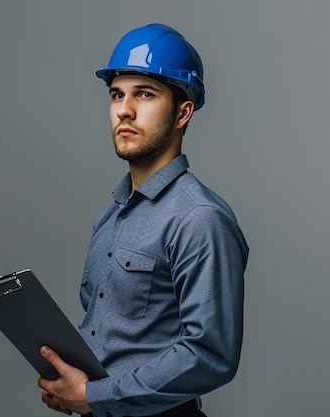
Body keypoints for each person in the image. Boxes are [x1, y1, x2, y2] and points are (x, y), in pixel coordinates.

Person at [38, 23, 249, 417]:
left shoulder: (201, 218)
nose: (124, 109)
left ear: (183, 112)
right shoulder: (111, 216)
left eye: (145, 95)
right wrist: (68, 383)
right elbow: (115, 339)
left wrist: (94, 397)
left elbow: (210, 355)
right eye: (117, 94)